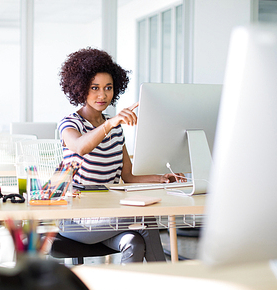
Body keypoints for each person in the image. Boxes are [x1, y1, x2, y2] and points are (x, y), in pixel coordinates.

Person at [57, 47, 185, 263]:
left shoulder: (115, 129)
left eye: (108, 88)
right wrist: (111, 122)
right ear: (81, 89)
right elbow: (80, 147)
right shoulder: (70, 124)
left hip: (107, 214)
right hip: (75, 219)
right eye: (95, 88)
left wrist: (161, 178)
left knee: (133, 242)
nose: (102, 95)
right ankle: (167, 288)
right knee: (147, 220)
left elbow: (128, 176)